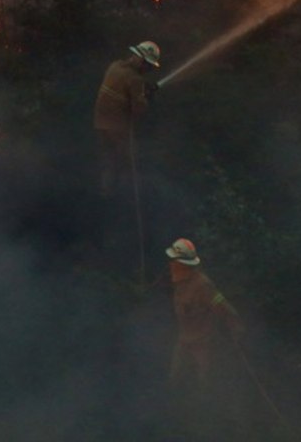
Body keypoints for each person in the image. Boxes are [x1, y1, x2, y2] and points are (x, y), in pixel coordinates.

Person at [165, 238, 246, 439]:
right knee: (175, 379)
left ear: (183, 264)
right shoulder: (179, 284)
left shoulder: (203, 285)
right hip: (185, 340)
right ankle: (175, 423)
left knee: (205, 384)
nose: (170, 264)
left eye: (174, 260)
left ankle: (209, 426)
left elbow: (221, 305)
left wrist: (236, 326)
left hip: (204, 343)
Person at [93, 41, 160, 199]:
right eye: (147, 65)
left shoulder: (114, 66)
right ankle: (127, 200)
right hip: (118, 128)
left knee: (108, 161)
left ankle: (105, 195)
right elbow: (139, 110)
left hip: (100, 124)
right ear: (140, 60)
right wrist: (146, 98)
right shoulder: (135, 79)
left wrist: (142, 92)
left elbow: (121, 92)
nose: (148, 69)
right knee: (128, 162)